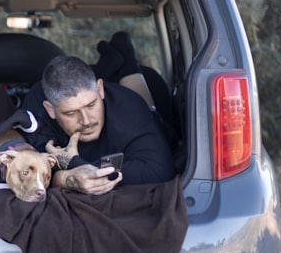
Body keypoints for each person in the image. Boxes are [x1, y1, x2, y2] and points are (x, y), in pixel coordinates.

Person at [24, 41, 176, 194]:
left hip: (142, 111)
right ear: (50, 110)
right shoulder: (38, 109)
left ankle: (127, 58)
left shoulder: (128, 107)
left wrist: (74, 164)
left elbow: (159, 171)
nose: (86, 121)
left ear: (100, 90)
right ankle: (109, 63)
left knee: (149, 107)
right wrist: (68, 177)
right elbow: (30, 174)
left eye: (91, 105)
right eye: (70, 113)